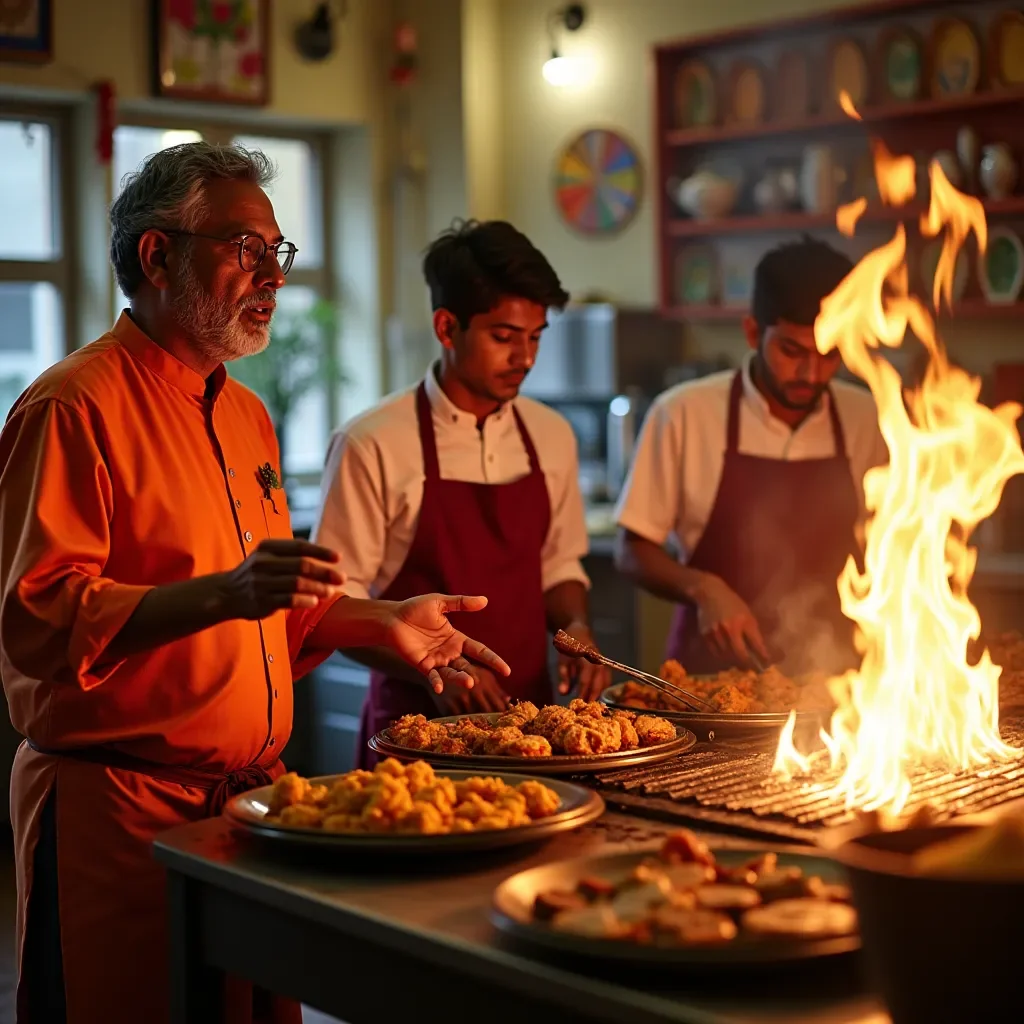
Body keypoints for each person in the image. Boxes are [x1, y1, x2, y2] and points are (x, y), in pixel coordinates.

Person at [0, 143, 508, 1024]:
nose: (269, 273)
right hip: (120, 818)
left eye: (277, 252)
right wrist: (224, 594)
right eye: (243, 248)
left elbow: (265, 616)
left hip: (250, 814)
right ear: (158, 256)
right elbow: (38, 623)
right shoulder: (74, 405)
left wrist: (378, 622)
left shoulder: (244, 413)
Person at [313, 219, 608, 766]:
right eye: (503, 337)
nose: (524, 358)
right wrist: (432, 669)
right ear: (447, 328)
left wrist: (577, 627)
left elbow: (559, 564)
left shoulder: (550, 435)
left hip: (535, 729)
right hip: (416, 737)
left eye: (535, 337)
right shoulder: (372, 442)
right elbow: (333, 609)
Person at [614, 238, 889, 677]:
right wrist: (704, 588)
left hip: (836, 684)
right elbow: (631, 551)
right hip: (710, 679)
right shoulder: (685, 413)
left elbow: (891, 544)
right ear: (751, 332)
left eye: (829, 355)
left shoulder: (866, 416)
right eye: (792, 352)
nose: (811, 374)